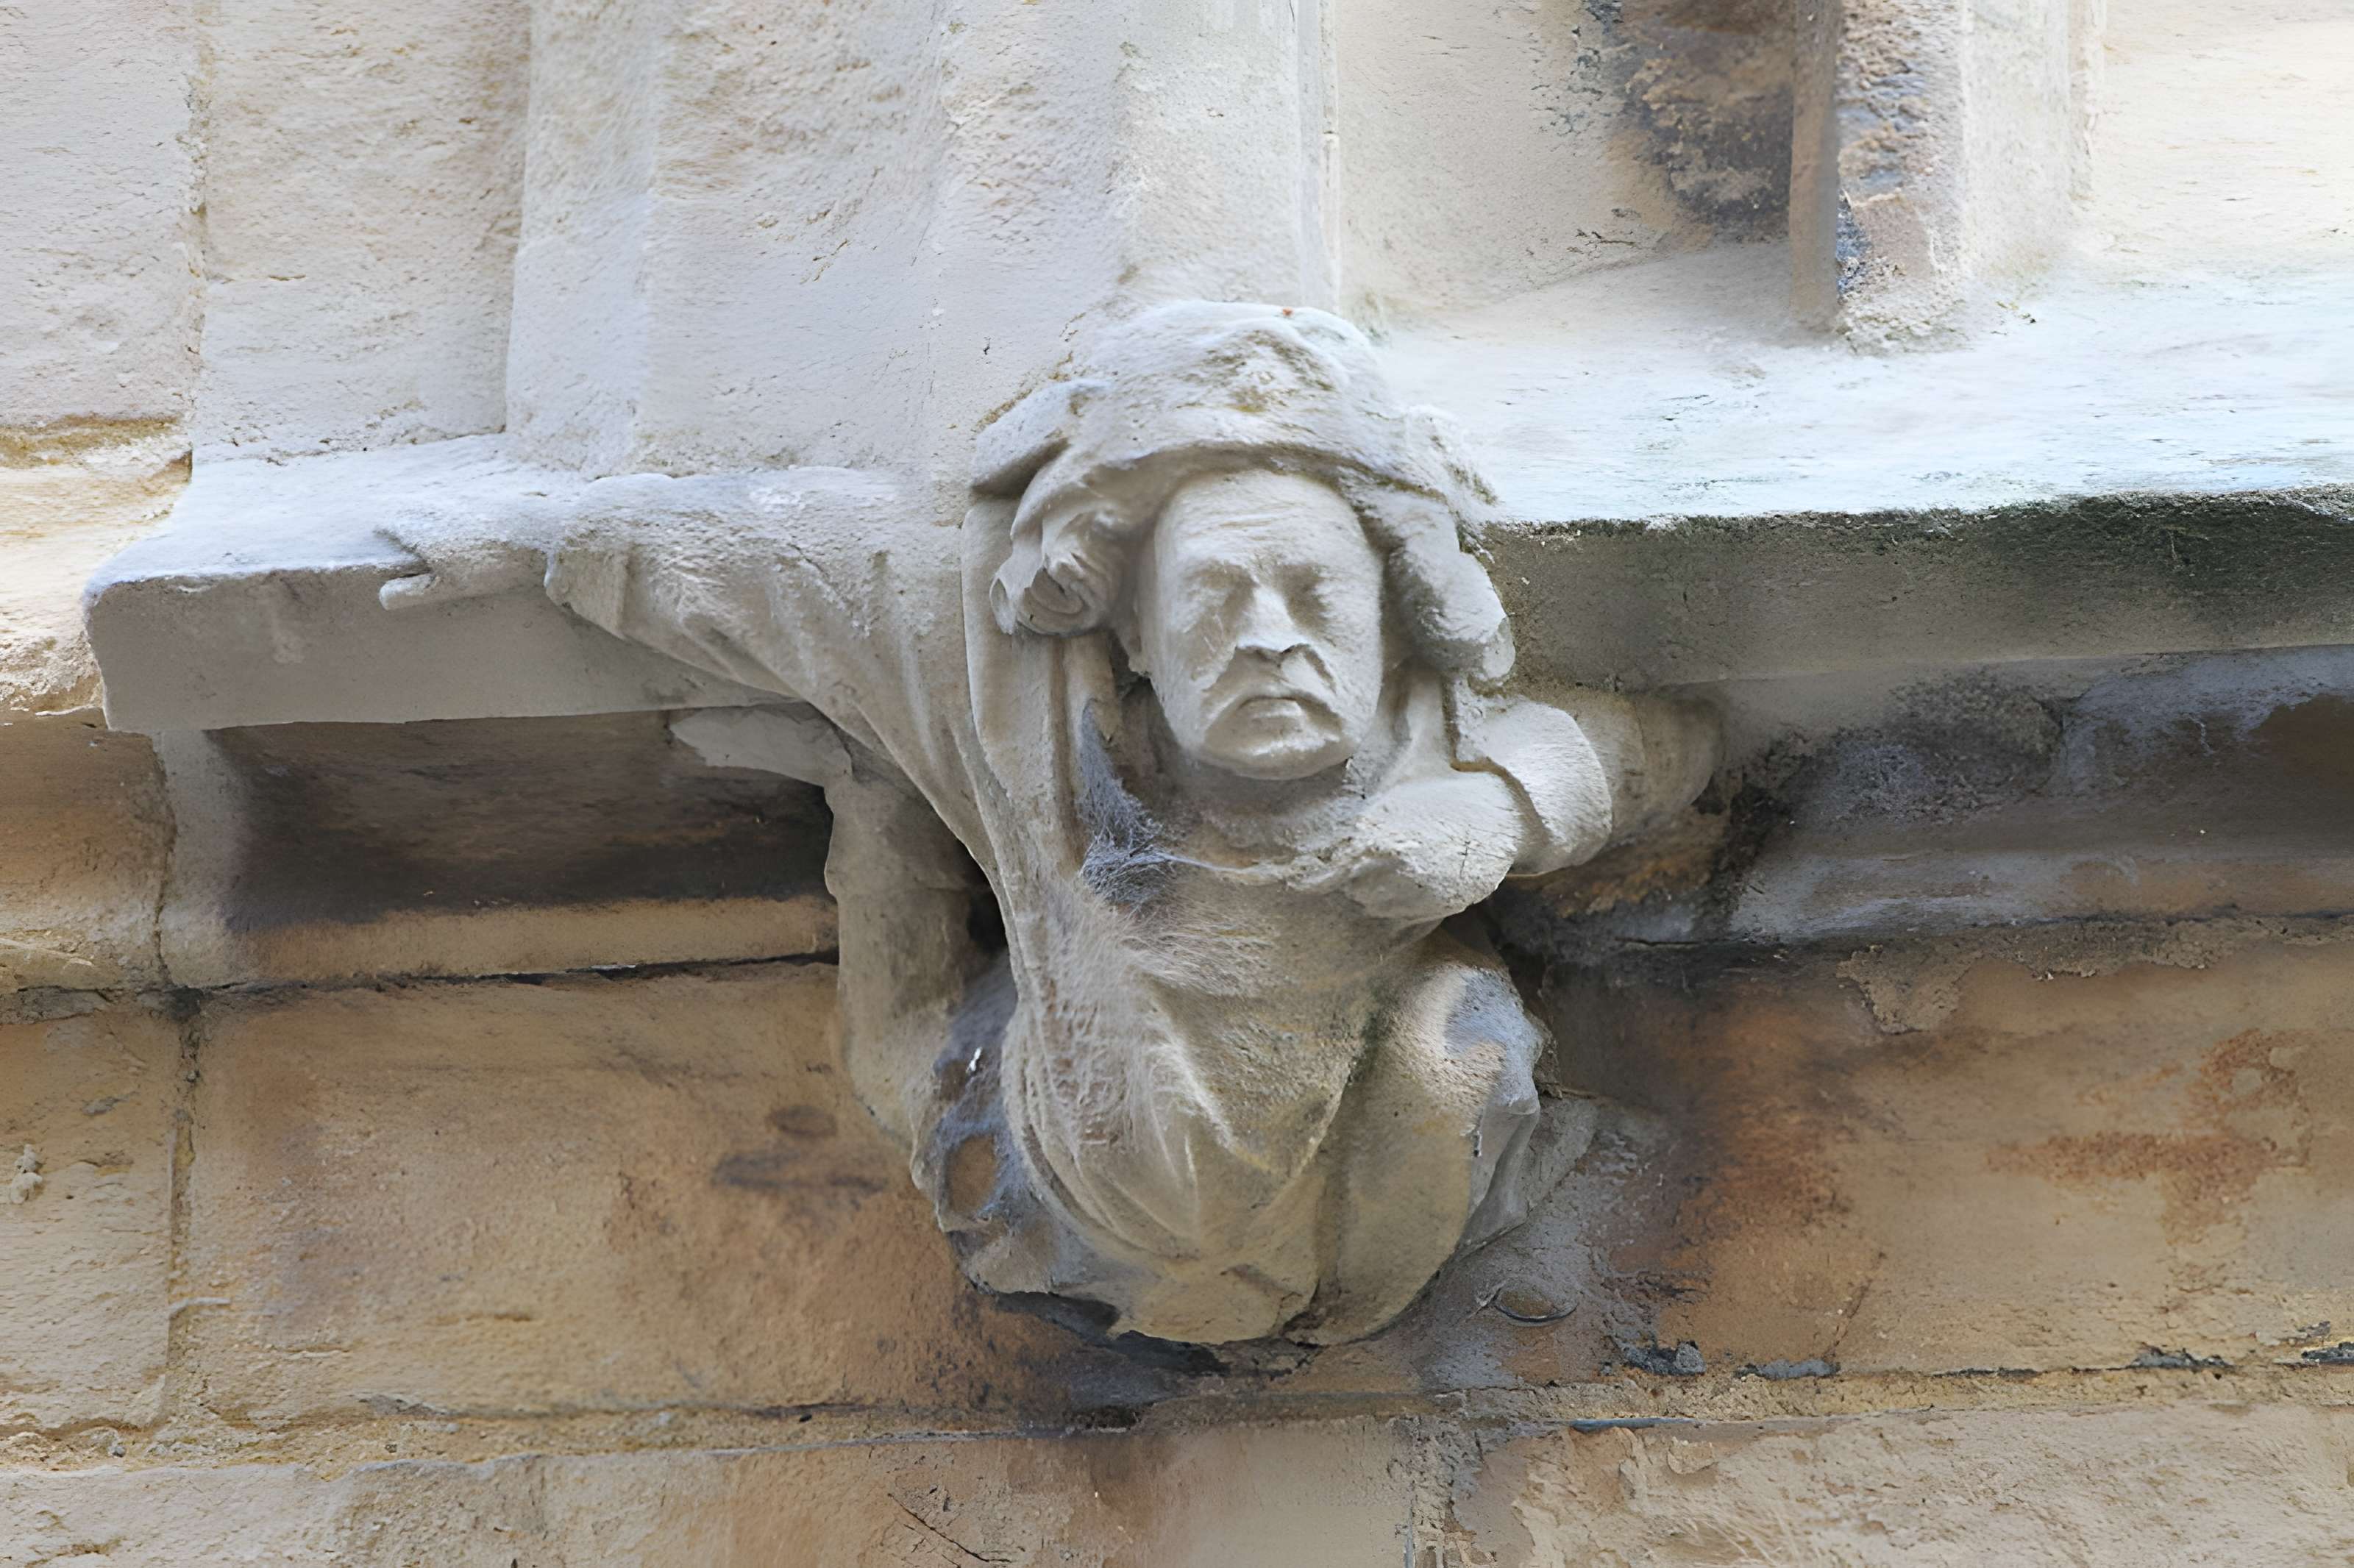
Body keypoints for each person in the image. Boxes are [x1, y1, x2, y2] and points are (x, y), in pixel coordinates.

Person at [381, 302, 1717, 1344]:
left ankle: (873, 793)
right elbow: (780, 565)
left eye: (1316, 592)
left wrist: (1495, 812)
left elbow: (1660, 745)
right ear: (1129, 623)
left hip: (1364, 1208)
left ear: (1390, 608)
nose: (1270, 639)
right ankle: (876, 792)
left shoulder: (1429, 729)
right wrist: (546, 544)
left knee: (1449, 1058)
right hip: (1048, 1170)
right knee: (916, 1058)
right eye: (1214, 597)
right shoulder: (1015, 692)